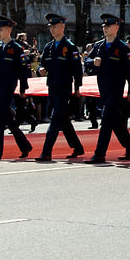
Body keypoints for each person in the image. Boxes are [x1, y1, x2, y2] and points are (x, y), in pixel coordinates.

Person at [83, 13, 130, 164]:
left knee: (106, 121)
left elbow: (129, 71)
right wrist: (92, 61)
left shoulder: (122, 48)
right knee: (116, 122)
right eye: (103, 26)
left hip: (115, 90)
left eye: (108, 26)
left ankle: (100, 153)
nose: (105, 29)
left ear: (116, 27)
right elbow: (86, 59)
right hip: (103, 89)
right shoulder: (99, 45)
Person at [0, 15, 32, 161]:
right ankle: (24, 145)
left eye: (1, 29)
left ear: (9, 30)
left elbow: (23, 70)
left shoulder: (16, 48)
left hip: (8, 86)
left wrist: (23, 89)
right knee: (8, 119)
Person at [35, 13, 85, 161]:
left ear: (62, 27)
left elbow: (77, 70)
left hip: (64, 87)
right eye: (50, 27)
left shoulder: (69, 47)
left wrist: (77, 88)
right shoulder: (49, 47)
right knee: (62, 119)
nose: (52, 29)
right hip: (52, 86)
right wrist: (41, 70)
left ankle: (46, 151)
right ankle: (77, 146)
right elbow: (42, 64)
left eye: (55, 26)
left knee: (55, 118)